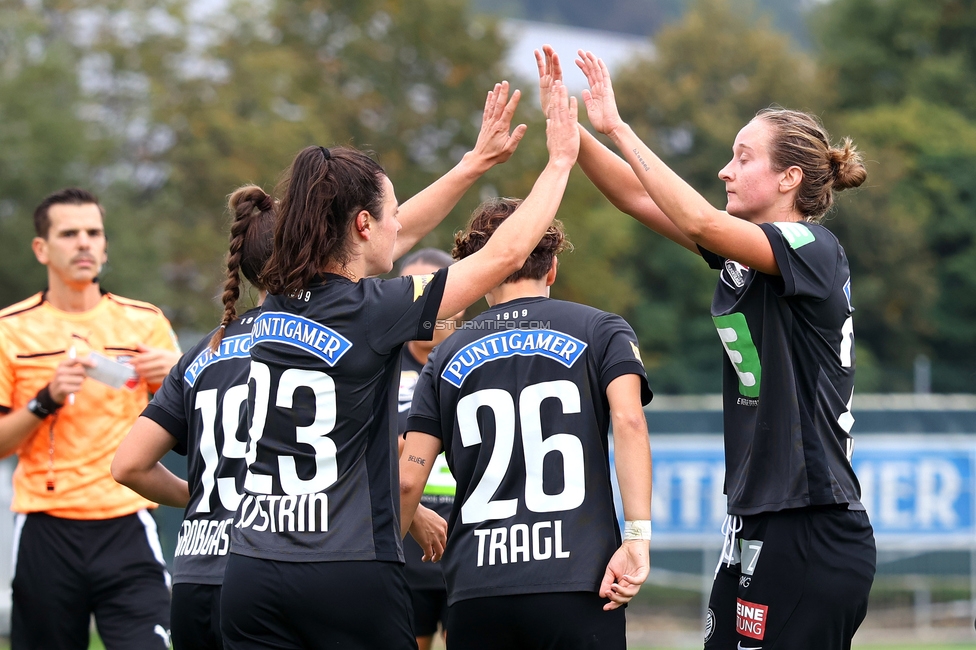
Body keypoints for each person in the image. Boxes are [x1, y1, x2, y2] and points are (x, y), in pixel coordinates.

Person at [218, 80, 579, 650]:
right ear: (362, 225)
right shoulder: (376, 309)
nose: (399, 226)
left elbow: (392, 234)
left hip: (250, 571)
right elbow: (506, 255)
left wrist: (472, 165)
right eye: (386, 215)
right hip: (344, 567)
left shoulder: (273, 300)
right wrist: (559, 163)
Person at [538, 45, 876, 649]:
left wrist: (615, 124)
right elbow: (637, 198)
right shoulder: (751, 256)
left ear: (788, 179)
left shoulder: (813, 249)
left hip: (809, 525)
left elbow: (696, 220)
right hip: (756, 521)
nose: (725, 169)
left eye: (742, 157)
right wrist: (568, 128)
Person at [399, 200, 653, 650]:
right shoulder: (601, 329)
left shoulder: (444, 355)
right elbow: (629, 420)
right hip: (577, 579)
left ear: (477, 269)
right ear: (552, 267)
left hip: (476, 586)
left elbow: (406, 482)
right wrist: (636, 538)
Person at [0, 187, 181, 649]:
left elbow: (195, 428)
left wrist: (173, 379)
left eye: (93, 233)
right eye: (69, 233)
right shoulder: (10, 329)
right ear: (41, 248)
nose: (84, 243)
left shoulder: (146, 321)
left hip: (127, 519)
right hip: (45, 527)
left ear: (104, 246)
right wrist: (45, 400)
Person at [111, 185, 275, 650]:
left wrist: (199, 496)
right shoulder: (309, 345)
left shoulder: (203, 352)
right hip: (264, 572)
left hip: (194, 572)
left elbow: (128, 465)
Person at [395, 248, 461, 650]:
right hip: (401, 548)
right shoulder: (374, 367)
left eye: (433, 293)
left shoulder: (483, 362)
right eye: (412, 294)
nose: (422, 306)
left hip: (471, 545)